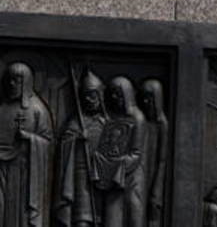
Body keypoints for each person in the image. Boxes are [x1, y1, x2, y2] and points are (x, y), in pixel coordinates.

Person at [0, 61, 53, 227]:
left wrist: (30, 138)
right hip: (3, 170)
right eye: (9, 80)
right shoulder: (2, 108)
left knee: (22, 214)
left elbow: (48, 142)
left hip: (27, 172)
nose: (12, 84)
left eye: (17, 80)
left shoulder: (38, 109)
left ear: (27, 82)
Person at [56, 69, 105, 227]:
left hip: (102, 179)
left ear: (100, 95)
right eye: (86, 96)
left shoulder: (106, 122)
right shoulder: (76, 122)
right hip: (81, 178)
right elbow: (64, 143)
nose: (89, 99)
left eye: (93, 95)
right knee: (82, 221)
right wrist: (76, 138)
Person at [93, 77, 145, 227]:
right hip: (113, 177)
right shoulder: (112, 116)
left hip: (131, 178)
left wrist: (116, 163)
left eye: (118, 94)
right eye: (113, 94)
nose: (115, 97)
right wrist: (101, 158)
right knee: (111, 219)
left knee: (133, 216)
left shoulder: (138, 118)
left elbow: (136, 154)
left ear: (127, 94)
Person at [137, 82, 167, 227]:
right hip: (139, 175)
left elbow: (162, 160)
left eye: (149, 98)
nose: (145, 102)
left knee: (152, 215)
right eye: (143, 98)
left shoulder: (162, 125)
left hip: (152, 176)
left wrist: (157, 189)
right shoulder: (139, 121)